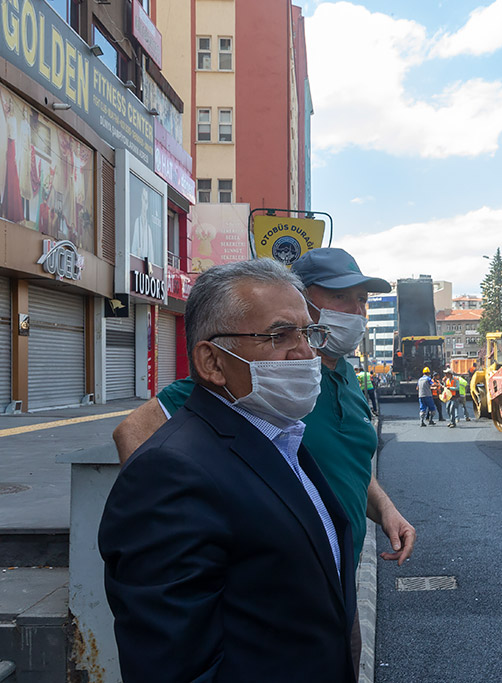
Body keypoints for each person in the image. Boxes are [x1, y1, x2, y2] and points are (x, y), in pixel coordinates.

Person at [111, 248, 416, 675]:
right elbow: (176, 662)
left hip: (327, 600)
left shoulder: (294, 420)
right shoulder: (173, 472)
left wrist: (384, 509)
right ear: (213, 362)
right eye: (279, 336)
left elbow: (348, 462)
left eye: (308, 336)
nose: (305, 354)